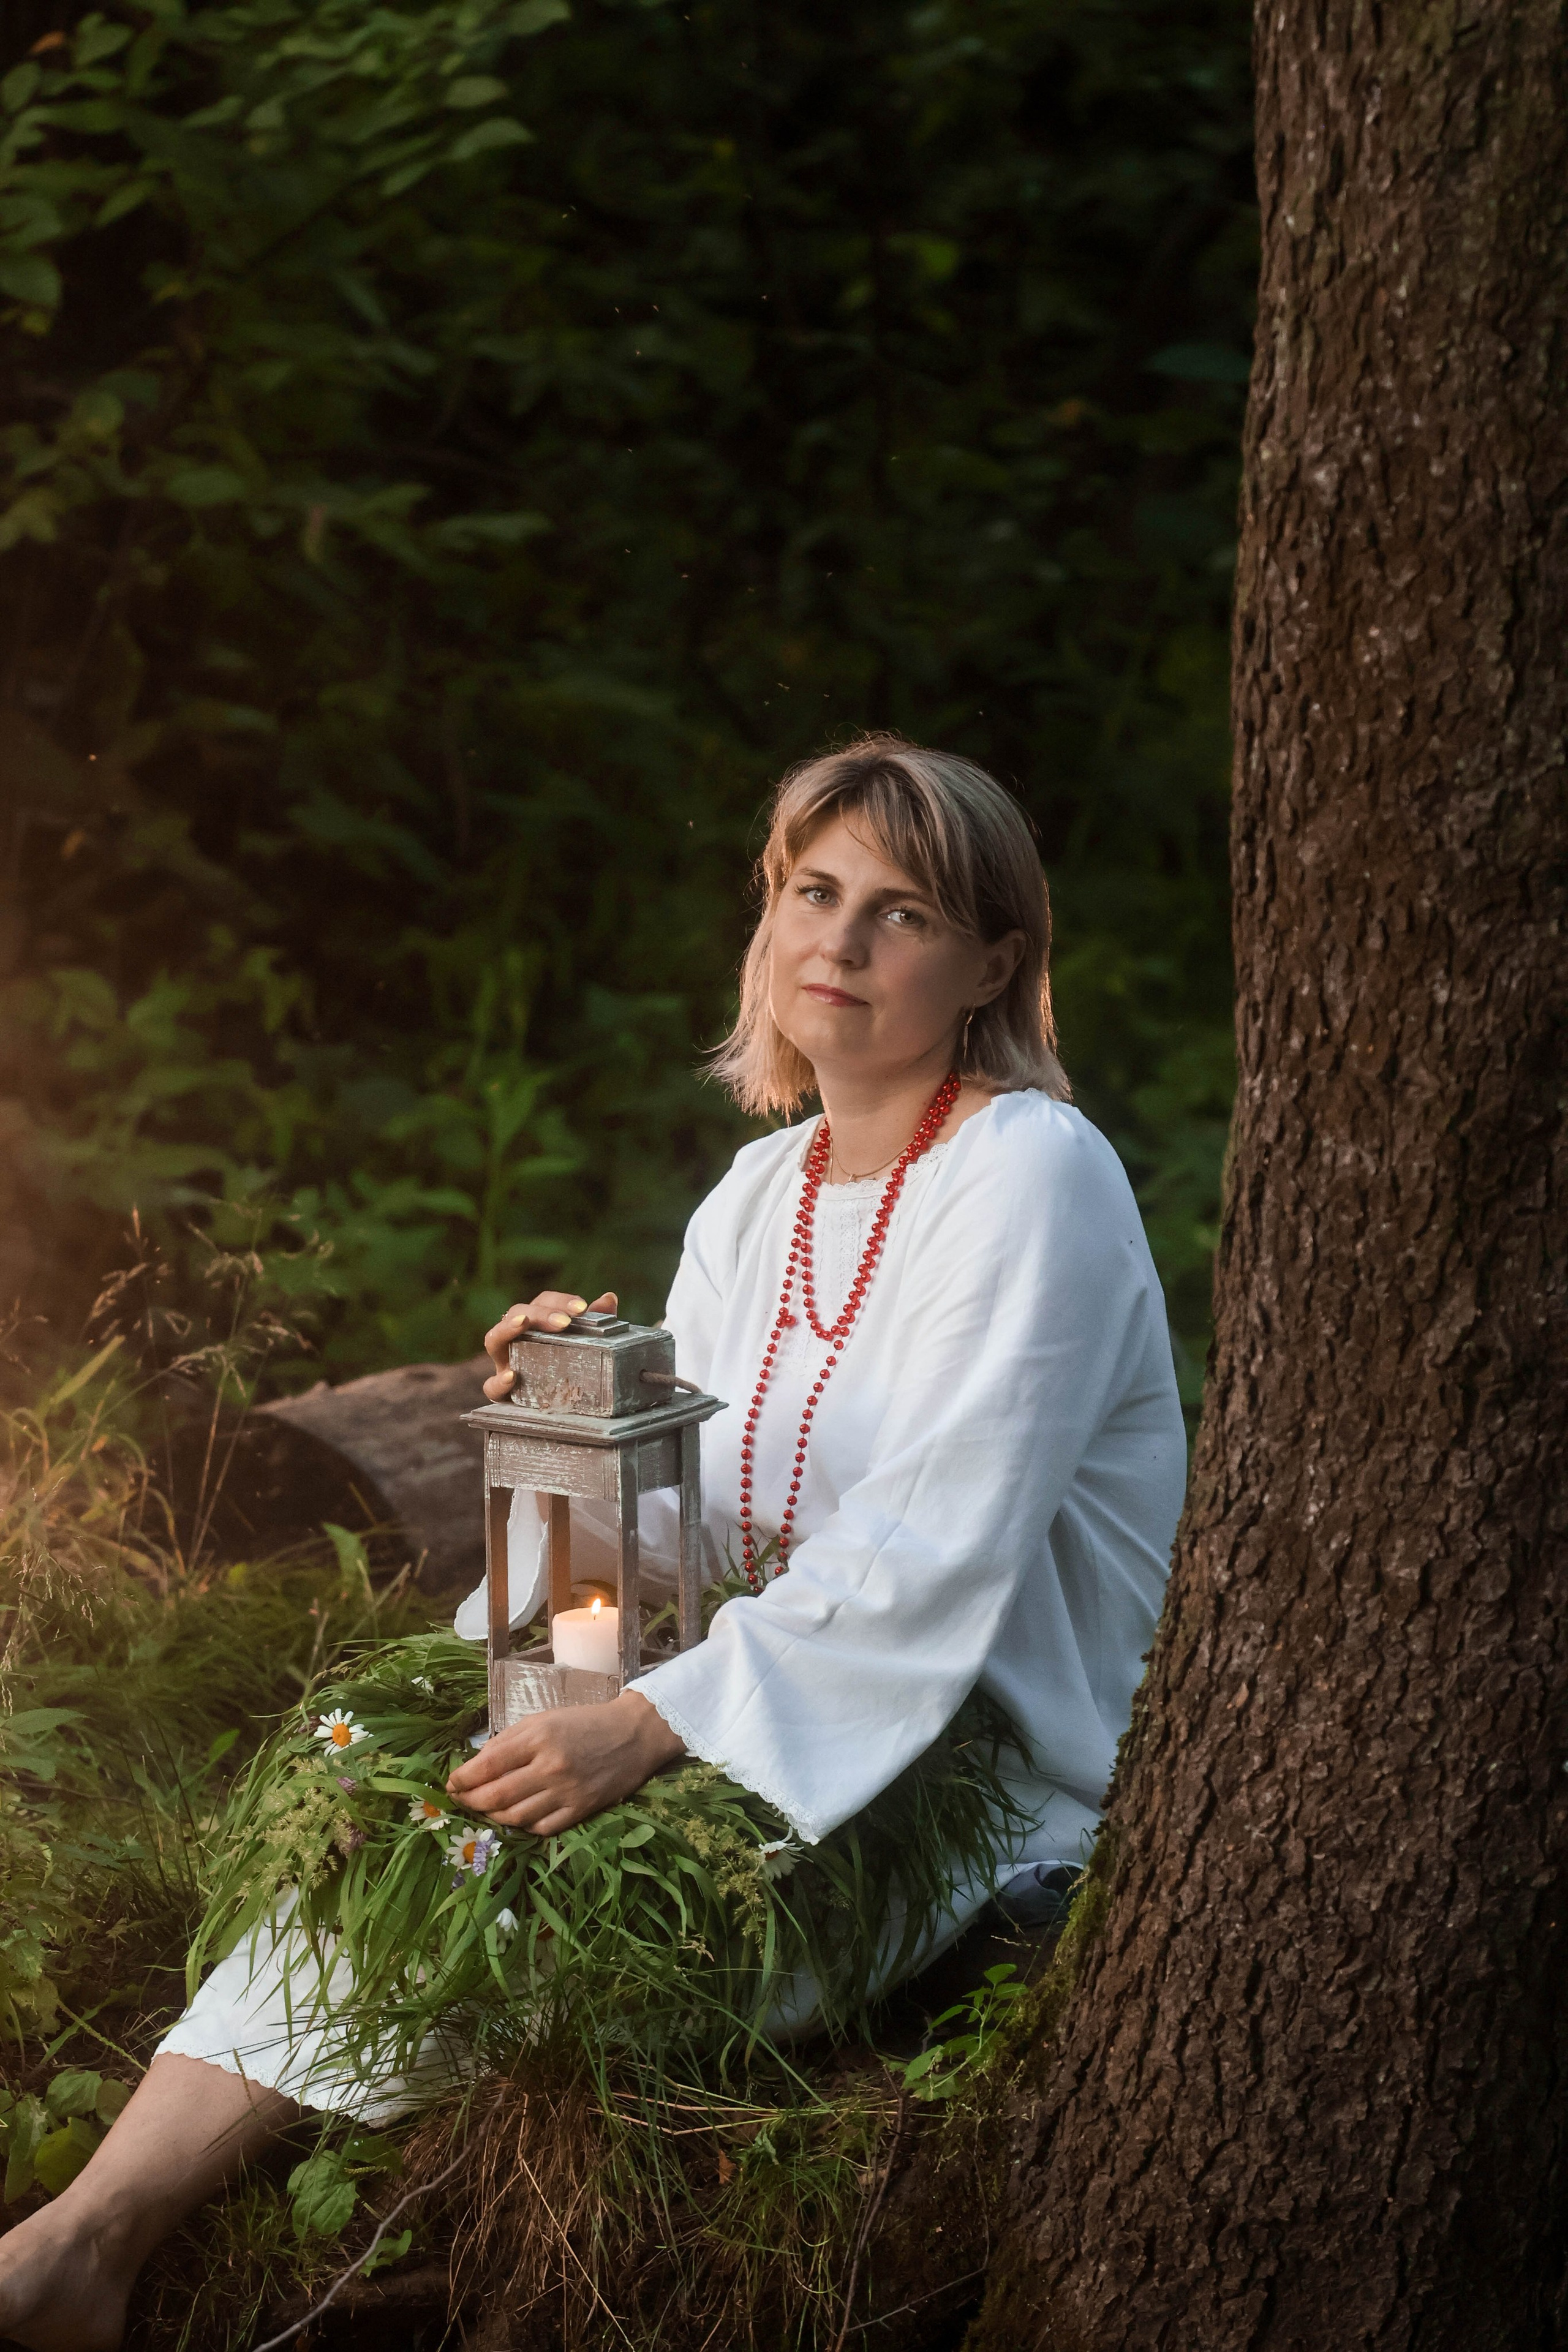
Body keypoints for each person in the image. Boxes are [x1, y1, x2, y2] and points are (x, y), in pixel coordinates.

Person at [0, 734, 1186, 2351]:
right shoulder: (762, 1191)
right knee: (409, 1815)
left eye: (901, 913)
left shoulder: (1032, 1171)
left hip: (966, 1764)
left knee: (520, 1890)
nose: (841, 942)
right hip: (765, 1689)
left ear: (993, 964)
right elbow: (689, 1522)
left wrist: (651, 1720)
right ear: (768, 918)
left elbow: (934, 1541)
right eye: (813, 892)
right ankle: (77, 2246)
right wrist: (575, 1425)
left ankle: (99, 2236)